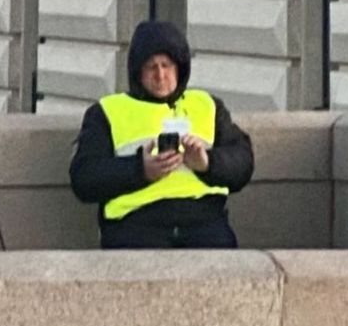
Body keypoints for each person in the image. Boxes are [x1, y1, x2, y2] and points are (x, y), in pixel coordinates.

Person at [68, 19, 255, 249]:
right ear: (138, 72)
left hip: (203, 221)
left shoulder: (206, 105)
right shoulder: (108, 111)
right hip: (136, 223)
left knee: (224, 258)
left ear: (179, 68)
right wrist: (140, 169)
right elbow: (84, 177)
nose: (160, 75)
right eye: (151, 67)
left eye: (166, 65)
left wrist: (207, 163)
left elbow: (243, 162)